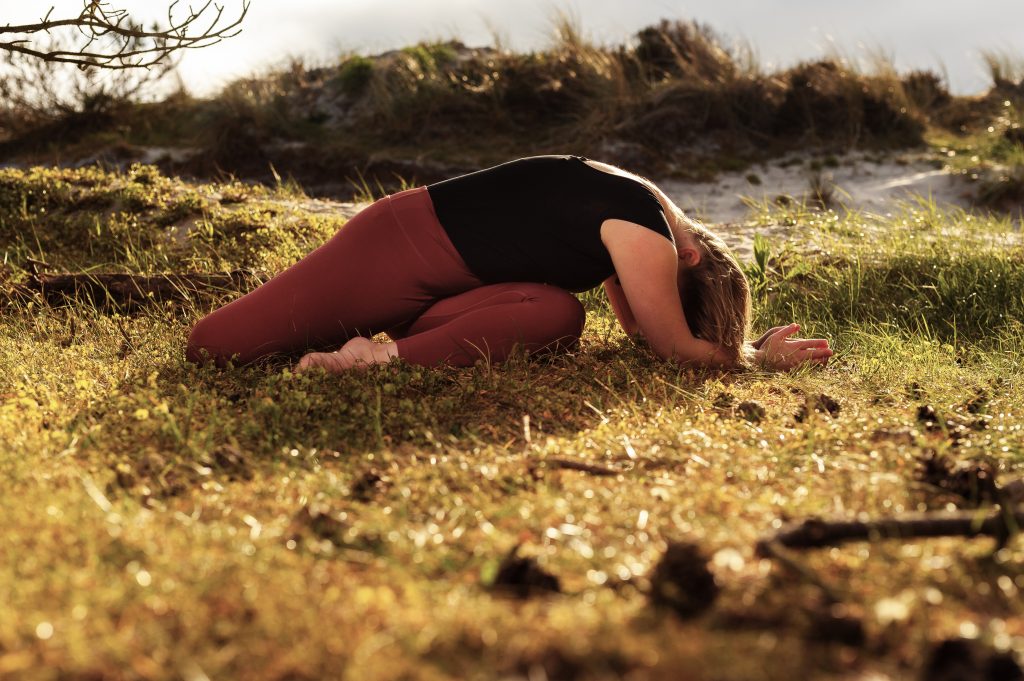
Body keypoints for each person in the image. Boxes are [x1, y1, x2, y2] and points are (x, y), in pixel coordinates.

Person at [185, 155, 832, 372]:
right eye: (664, 286)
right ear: (686, 255)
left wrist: (729, 339)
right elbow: (668, 342)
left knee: (556, 314)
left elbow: (646, 334)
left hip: (434, 299)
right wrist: (750, 356)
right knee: (213, 346)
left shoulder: (637, 208)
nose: (634, 308)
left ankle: (373, 358)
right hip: (395, 252)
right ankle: (343, 332)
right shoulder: (649, 230)